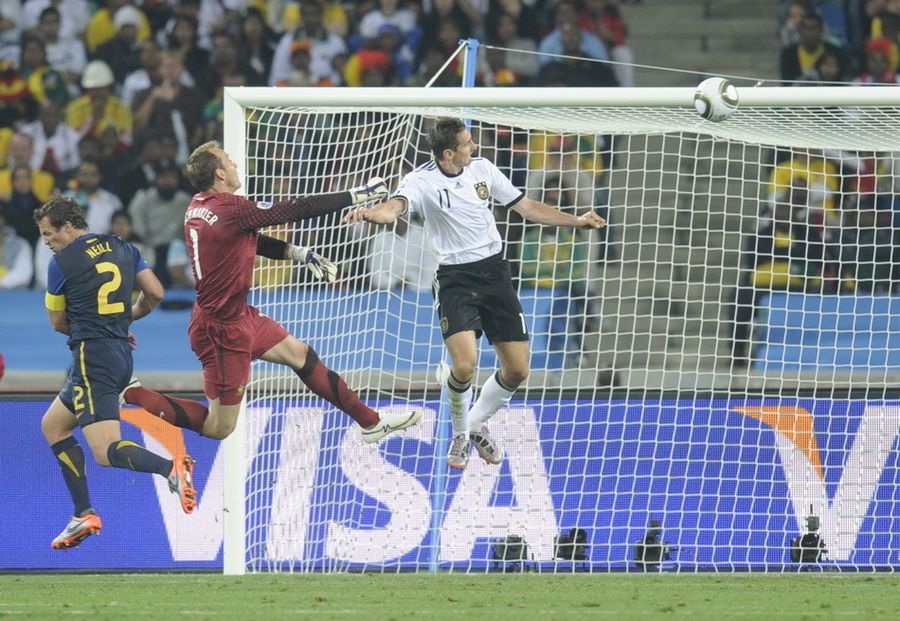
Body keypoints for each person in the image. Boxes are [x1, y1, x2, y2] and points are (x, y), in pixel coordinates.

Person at [344, 118, 606, 470]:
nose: (475, 147)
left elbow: (525, 206)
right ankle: (458, 435)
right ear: (449, 153)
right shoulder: (419, 181)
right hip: (455, 279)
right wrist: (374, 213)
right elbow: (395, 208)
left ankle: (473, 423)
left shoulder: (482, 169)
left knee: (517, 370)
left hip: (495, 274)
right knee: (465, 365)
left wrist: (576, 220)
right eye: (468, 144)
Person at [121, 141, 422, 443]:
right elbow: (294, 209)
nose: (235, 165)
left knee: (300, 354)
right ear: (219, 174)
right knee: (219, 427)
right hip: (223, 331)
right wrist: (358, 195)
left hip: (237, 316)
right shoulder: (231, 208)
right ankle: (132, 392)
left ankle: (370, 423)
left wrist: (300, 254)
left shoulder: (199, 205)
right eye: (229, 160)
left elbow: (249, 239)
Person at [35, 195, 196, 550]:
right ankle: (82, 513)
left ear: (67, 226)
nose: (46, 241)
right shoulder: (122, 246)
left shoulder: (61, 263)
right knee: (53, 425)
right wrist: (123, 321)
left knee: (105, 450)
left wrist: (103, 328)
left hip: (92, 356)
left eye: (49, 233)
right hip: (121, 353)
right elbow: (155, 292)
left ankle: (171, 468)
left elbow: (58, 322)